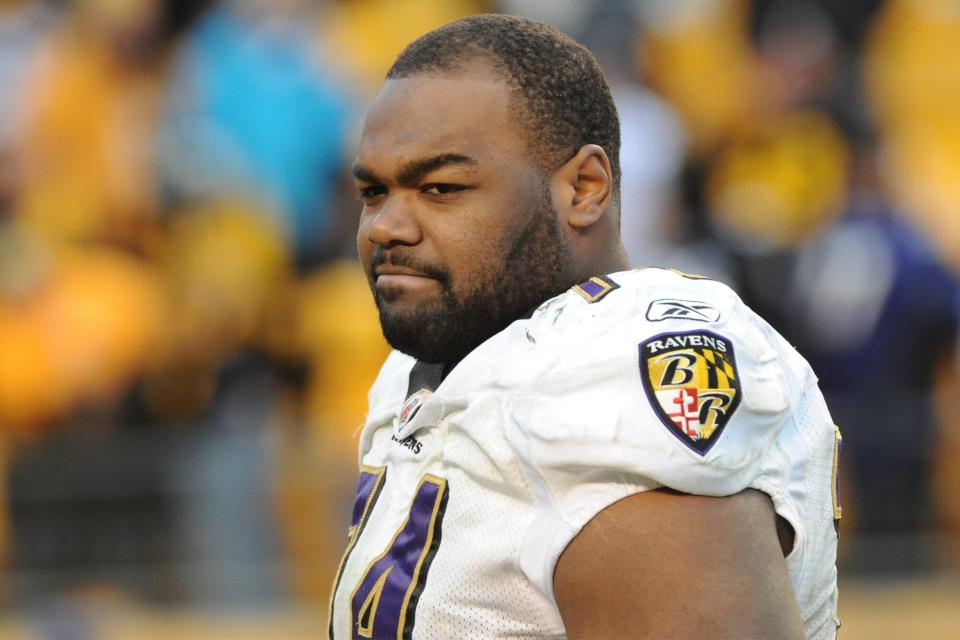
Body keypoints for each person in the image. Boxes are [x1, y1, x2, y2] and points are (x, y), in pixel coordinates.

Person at [328, 14, 839, 640]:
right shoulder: (433, 362)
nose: (385, 227)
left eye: (440, 187)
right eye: (374, 192)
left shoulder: (614, 367)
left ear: (585, 188)